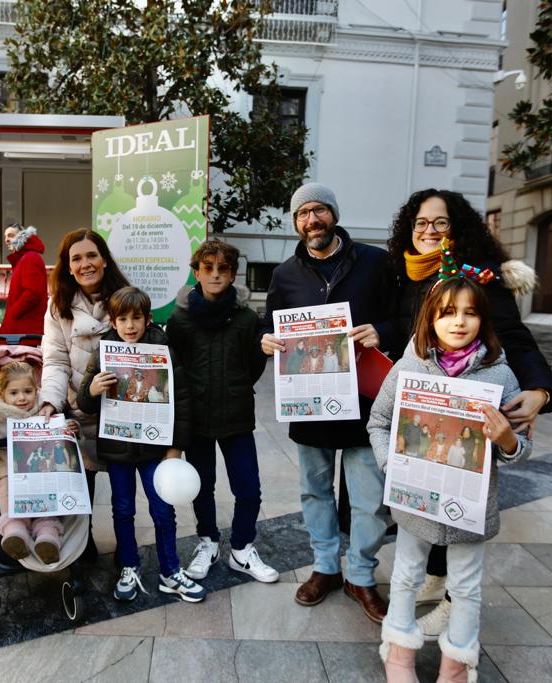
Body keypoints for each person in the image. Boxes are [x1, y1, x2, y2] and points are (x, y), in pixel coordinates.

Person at [385, 189, 552, 636]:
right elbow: (404, 330)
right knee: (428, 501)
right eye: (421, 222)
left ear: (457, 229)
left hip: (467, 411)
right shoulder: (406, 274)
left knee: (460, 507)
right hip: (423, 406)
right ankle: (435, 577)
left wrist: (540, 390)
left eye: (440, 222)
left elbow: (515, 337)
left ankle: (452, 602)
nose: (429, 230)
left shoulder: (476, 279)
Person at [368, 276, 532, 683]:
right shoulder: (408, 367)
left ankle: (457, 663)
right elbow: (379, 421)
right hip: (415, 500)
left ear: (483, 320)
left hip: (469, 507)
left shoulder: (500, 375)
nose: (458, 322)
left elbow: (521, 446)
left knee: (466, 586)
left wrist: (507, 440)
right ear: (430, 319)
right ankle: (398, 652)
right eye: (447, 313)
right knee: (406, 575)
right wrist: (392, 465)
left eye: (469, 313)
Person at [260, 182, 397, 623]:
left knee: (369, 499)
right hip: (310, 403)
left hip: (365, 402)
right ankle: (325, 568)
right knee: (315, 490)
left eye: (319, 210)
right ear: (295, 222)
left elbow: (405, 316)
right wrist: (266, 339)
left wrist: (383, 331)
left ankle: (360, 575)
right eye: (302, 213)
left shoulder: (375, 262)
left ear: (334, 215)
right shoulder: (285, 274)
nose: (311, 220)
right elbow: (269, 323)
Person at [77, 287, 204, 603]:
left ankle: (170, 570)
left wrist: (175, 449)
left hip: (153, 449)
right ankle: (128, 566)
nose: (130, 325)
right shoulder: (104, 352)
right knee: (122, 509)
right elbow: (84, 404)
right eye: (122, 319)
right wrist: (92, 390)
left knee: (162, 509)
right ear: (113, 322)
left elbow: (182, 402)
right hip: (117, 449)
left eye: (136, 318)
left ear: (148, 319)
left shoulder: (163, 350)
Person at [167, 240, 277, 584]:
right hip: (197, 419)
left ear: (232, 274)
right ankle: (208, 542)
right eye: (208, 268)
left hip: (236, 416)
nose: (215, 274)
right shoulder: (180, 319)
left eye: (223, 269)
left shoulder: (246, 318)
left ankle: (242, 549)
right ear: (196, 273)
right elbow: (174, 368)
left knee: (248, 488)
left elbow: (254, 364)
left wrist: (236, 386)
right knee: (202, 487)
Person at [38, 229, 131, 560]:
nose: (85, 264)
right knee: (82, 482)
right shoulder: (58, 307)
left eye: (92, 255)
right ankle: (82, 544)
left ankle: (127, 548)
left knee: (124, 488)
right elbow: (56, 360)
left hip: (122, 410)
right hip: (81, 407)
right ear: (68, 266)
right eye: (76, 258)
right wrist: (50, 400)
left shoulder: (126, 297)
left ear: (104, 260)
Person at [0, 361, 72, 564]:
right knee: (9, 488)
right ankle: (15, 531)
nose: (22, 398)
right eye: (14, 393)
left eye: (28, 391)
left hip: (41, 468)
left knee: (49, 496)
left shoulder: (45, 409)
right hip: (5, 466)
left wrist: (69, 428)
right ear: (2, 393)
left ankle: (47, 536)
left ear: (36, 390)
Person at [0, 224, 48, 339]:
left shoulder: (30, 258)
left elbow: (33, 293)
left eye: (11, 235)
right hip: (22, 332)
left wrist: (13, 313)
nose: (6, 240)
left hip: (24, 333)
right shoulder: (25, 259)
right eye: (5, 237)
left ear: (22, 236)